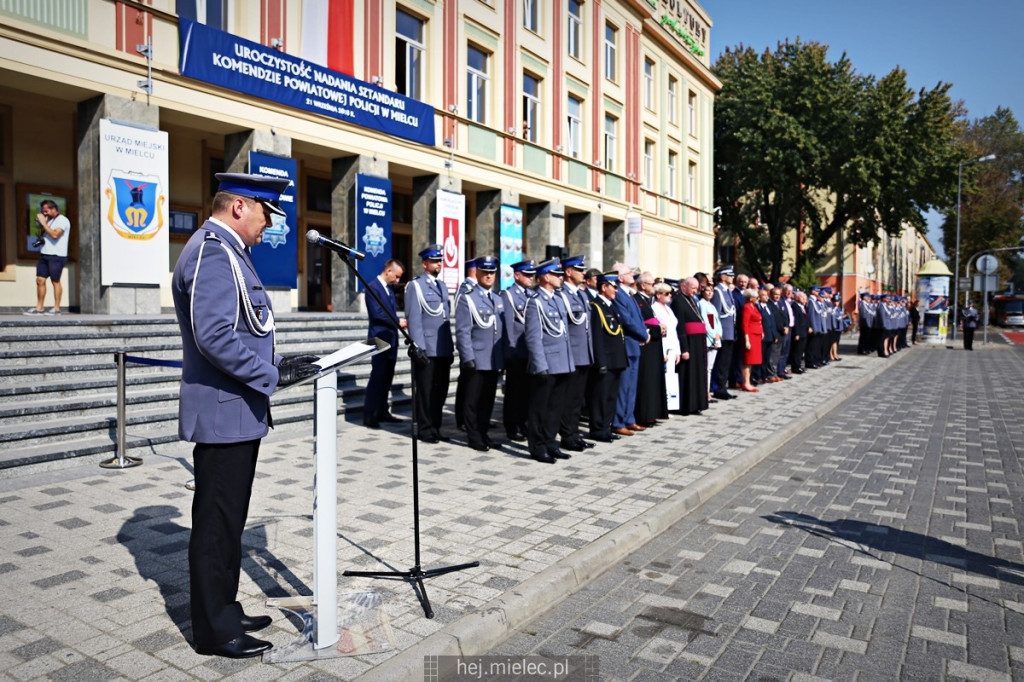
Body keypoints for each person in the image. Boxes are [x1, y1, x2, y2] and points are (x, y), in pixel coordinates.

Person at [171, 173, 320, 659]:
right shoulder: (214, 252)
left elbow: (241, 328)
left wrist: (274, 365)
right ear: (239, 206)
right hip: (222, 411)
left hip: (236, 409)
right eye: (265, 213)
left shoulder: (228, 251)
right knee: (216, 526)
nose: (268, 224)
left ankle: (225, 608)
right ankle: (215, 632)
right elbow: (214, 335)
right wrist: (268, 375)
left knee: (229, 522)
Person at [524, 259, 574, 463]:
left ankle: (551, 443)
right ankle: (537, 447)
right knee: (540, 408)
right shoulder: (535, 302)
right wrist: (540, 365)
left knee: (555, 408)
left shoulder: (558, 299)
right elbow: (533, 337)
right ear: (546, 277)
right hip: (546, 364)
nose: (561, 277)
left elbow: (564, 334)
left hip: (562, 362)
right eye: (557, 274)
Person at [405, 244, 454, 443]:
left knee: (440, 391)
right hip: (427, 348)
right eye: (434, 261)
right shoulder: (415, 286)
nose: (438, 264)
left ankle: (436, 426)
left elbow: (445, 318)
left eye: (440, 261)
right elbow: (414, 318)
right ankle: (424, 429)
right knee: (425, 392)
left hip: (442, 348)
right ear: (425, 264)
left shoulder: (442, 286)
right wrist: (419, 347)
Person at [454, 255, 503, 451]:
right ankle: (474, 437)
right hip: (476, 358)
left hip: (493, 359)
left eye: (492, 272)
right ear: (478, 273)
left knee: (487, 401)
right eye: (486, 272)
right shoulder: (468, 298)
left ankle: (484, 434)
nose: (489, 276)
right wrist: (467, 357)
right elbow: (463, 331)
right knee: (472, 402)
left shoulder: (498, 299)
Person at [363, 258, 407, 428]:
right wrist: (397, 321)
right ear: (388, 271)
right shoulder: (373, 287)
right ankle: (370, 414)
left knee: (387, 378)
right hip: (379, 340)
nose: (397, 280)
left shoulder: (388, 288)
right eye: (396, 276)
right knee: (377, 377)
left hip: (391, 340)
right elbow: (378, 314)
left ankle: (382, 411)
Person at [557, 255, 595, 452]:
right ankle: (567, 436)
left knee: (578, 400)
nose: (583, 273)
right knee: (569, 399)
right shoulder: (562, 295)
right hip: (571, 355)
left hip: (583, 354)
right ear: (568, 272)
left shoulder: (581, 294)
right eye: (579, 270)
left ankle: (573, 433)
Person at [610, 264, 650, 435]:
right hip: (627, 345)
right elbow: (626, 320)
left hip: (635, 345)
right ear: (620, 278)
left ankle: (629, 418)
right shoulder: (619, 294)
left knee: (632, 386)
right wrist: (643, 334)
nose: (632, 275)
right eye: (628, 273)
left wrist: (644, 333)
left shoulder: (629, 294)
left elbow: (638, 318)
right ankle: (619, 421)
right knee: (624, 386)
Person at [588, 273, 628, 442]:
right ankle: (597, 429)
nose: (616, 291)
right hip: (606, 360)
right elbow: (597, 337)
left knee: (611, 396)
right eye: (614, 287)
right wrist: (600, 362)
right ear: (604, 287)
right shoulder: (596, 307)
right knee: (600, 397)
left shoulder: (611, 305)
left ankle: (606, 426)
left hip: (616, 359)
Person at [501, 259, 536, 441]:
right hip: (516, 352)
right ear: (517, 275)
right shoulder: (508, 295)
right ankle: (512, 426)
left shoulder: (533, 295)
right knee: (514, 393)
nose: (531, 278)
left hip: (530, 352)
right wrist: (509, 353)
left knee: (527, 393)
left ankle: (523, 424)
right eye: (528, 275)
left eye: (532, 275)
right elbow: (507, 327)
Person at [25, 199, 71, 316]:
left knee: (55, 281)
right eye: (43, 211)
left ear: (54, 209)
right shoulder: (49, 221)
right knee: (40, 280)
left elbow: (55, 235)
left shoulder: (63, 220)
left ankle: (56, 309)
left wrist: (44, 223)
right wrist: (43, 224)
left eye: (46, 211)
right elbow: (46, 235)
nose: (44, 213)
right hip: (44, 254)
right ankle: (39, 308)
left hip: (57, 256)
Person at [671, 277, 708, 415]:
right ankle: (686, 405)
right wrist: (684, 348)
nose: (695, 291)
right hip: (689, 343)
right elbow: (680, 326)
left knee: (697, 374)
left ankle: (696, 403)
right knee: (688, 375)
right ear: (684, 287)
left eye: (696, 288)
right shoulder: (678, 301)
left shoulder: (692, 300)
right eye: (693, 288)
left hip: (697, 343)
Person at [634, 272, 667, 425]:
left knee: (654, 380)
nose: (654, 287)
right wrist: (656, 329)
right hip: (646, 346)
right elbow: (639, 323)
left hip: (654, 345)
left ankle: (653, 413)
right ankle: (645, 415)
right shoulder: (637, 300)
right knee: (647, 381)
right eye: (652, 284)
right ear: (643, 285)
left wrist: (661, 328)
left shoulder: (647, 300)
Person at [453, 258, 480, 431]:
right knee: (466, 385)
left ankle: (473, 418)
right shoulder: (465, 290)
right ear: (474, 270)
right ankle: (462, 419)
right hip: (469, 345)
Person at [652, 282, 681, 411]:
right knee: (662, 378)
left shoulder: (668, 309)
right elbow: (660, 332)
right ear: (658, 295)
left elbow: (674, 330)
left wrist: (677, 350)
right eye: (667, 293)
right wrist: (661, 351)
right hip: (663, 347)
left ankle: (669, 406)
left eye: (671, 293)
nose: (670, 296)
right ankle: (661, 408)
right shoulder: (655, 308)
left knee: (670, 376)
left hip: (672, 346)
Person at [710, 266, 737, 400]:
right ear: (722, 277)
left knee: (725, 363)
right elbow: (714, 315)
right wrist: (716, 335)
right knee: (720, 364)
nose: (733, 277)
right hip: (722, 334)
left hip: (729, 333)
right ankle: (718, 388)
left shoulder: (727, 291)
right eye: (730, 275)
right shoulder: (718, 292)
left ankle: (722, 387)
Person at [697, 283, 721, 402]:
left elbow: (717, 322)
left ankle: (707, 392)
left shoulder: (711, 305)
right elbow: (705, 322)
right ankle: (705, 393)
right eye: (707, 290)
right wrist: (714, 337)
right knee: (707, 368)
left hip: (715, 338)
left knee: (710, 368)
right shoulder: (701, 304)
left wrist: (719, 334)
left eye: (711, 290)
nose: (710, 292)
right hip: (709, 339)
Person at [740, 288, 762, 392]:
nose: (758, 299)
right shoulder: (747, 307)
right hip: (751, 336)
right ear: (751, 298)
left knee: (752, 361)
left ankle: (748, 381)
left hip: (756, 336)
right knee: (747, 361)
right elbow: (745, 324)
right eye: (757, 297)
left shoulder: (754, 307)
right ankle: (746, 383)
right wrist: (747, 340)